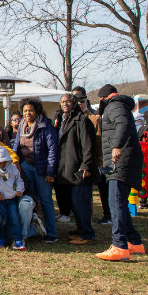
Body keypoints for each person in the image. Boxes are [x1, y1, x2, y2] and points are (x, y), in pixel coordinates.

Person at [95, 84, 145, 261]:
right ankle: (135, 242)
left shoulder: (114, 105)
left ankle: (119, 246)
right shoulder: (119, 105)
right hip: (124, 159)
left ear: (102, 98)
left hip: (121, 160)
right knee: (120, 203)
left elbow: (122, 125)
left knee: (115, 204)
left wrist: (116, 146)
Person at [12, 97, 59, 243]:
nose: (27, 113)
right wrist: (15, 161)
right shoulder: (22, 126)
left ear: (37, 111)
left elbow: (52, 150)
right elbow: (16, 147)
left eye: (30, 110)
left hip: (42, 168)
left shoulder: (45, 126)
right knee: (28, 199)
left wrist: (51, 172)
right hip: (26, 166)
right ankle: (31, 228)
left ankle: (52, 233)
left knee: (45, 200)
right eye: (25, 111)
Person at [55, 93, 97, 245]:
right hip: (66, 168)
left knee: (80, 202)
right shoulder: (62, 120)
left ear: (74, 103)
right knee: (73, 203)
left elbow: (88, 146)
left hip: (79, 168)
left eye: (68, 101)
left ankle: (87, 233)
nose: (65, 104)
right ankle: (81, 229)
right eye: (62, 102)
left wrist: (86, 165)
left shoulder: (81, 121)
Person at [72, 88, 110, 224]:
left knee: (94, 192)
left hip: (92, 161)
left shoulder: (94, 118)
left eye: (82, 101)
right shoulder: (69, 118)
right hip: (75, 161)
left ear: (86, 101)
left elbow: (99, 143)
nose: (79, 103)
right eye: (76, 101)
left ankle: (102, 216)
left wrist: (100, 163)